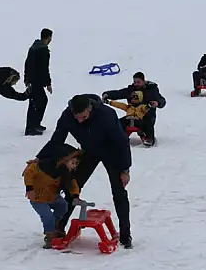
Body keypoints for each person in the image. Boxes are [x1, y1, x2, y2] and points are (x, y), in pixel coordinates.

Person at [35, 94, 134, 248]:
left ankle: (126, 236)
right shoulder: (68, 116)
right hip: (89, 151)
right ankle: (59, 228)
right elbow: (57, 140)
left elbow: (121, 142)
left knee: (118, 191)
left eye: (83, 117)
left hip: (112, 152)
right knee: (72, 186)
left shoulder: (106, 115)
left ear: (90, 109)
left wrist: (125, 169)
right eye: (77, 118)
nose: (79, 121)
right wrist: (39, 158)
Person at [23, 143, 82, 248]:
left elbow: (73, 184)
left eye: (76, 164)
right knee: (47, 216)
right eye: (73, 163)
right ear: (63, 159)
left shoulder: (65, 173)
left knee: (63, 206)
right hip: (37, 198)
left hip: (52, 196)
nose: (74, 166)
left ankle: (54, 226)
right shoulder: (42, 166)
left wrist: (75, 196)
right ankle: (50, 236)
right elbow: (29, 172)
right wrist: (29, 188)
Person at [103, 72, 166, 146]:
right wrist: (108, 94)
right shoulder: (131, 90)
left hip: (147, 117)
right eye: (134, 82)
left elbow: (162, 101)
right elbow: (120, 93)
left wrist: (157, 103)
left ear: (144, 81)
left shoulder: (151, 90)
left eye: (138, 82)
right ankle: (115, 137)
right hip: (131, 116)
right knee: (119, 123)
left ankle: (149, 138)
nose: (136, 84)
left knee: (148, 124)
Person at [24, 28, 53, 136]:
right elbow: (44, 68)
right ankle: (32, 127)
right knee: (39, 102)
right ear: (49, 37)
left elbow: (27, 64)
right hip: (36, 81)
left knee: (35, 102)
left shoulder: (33, 47)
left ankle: (34, 124)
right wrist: (48, 83)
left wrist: (26, 80)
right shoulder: (43, 50)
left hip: (32, 80)